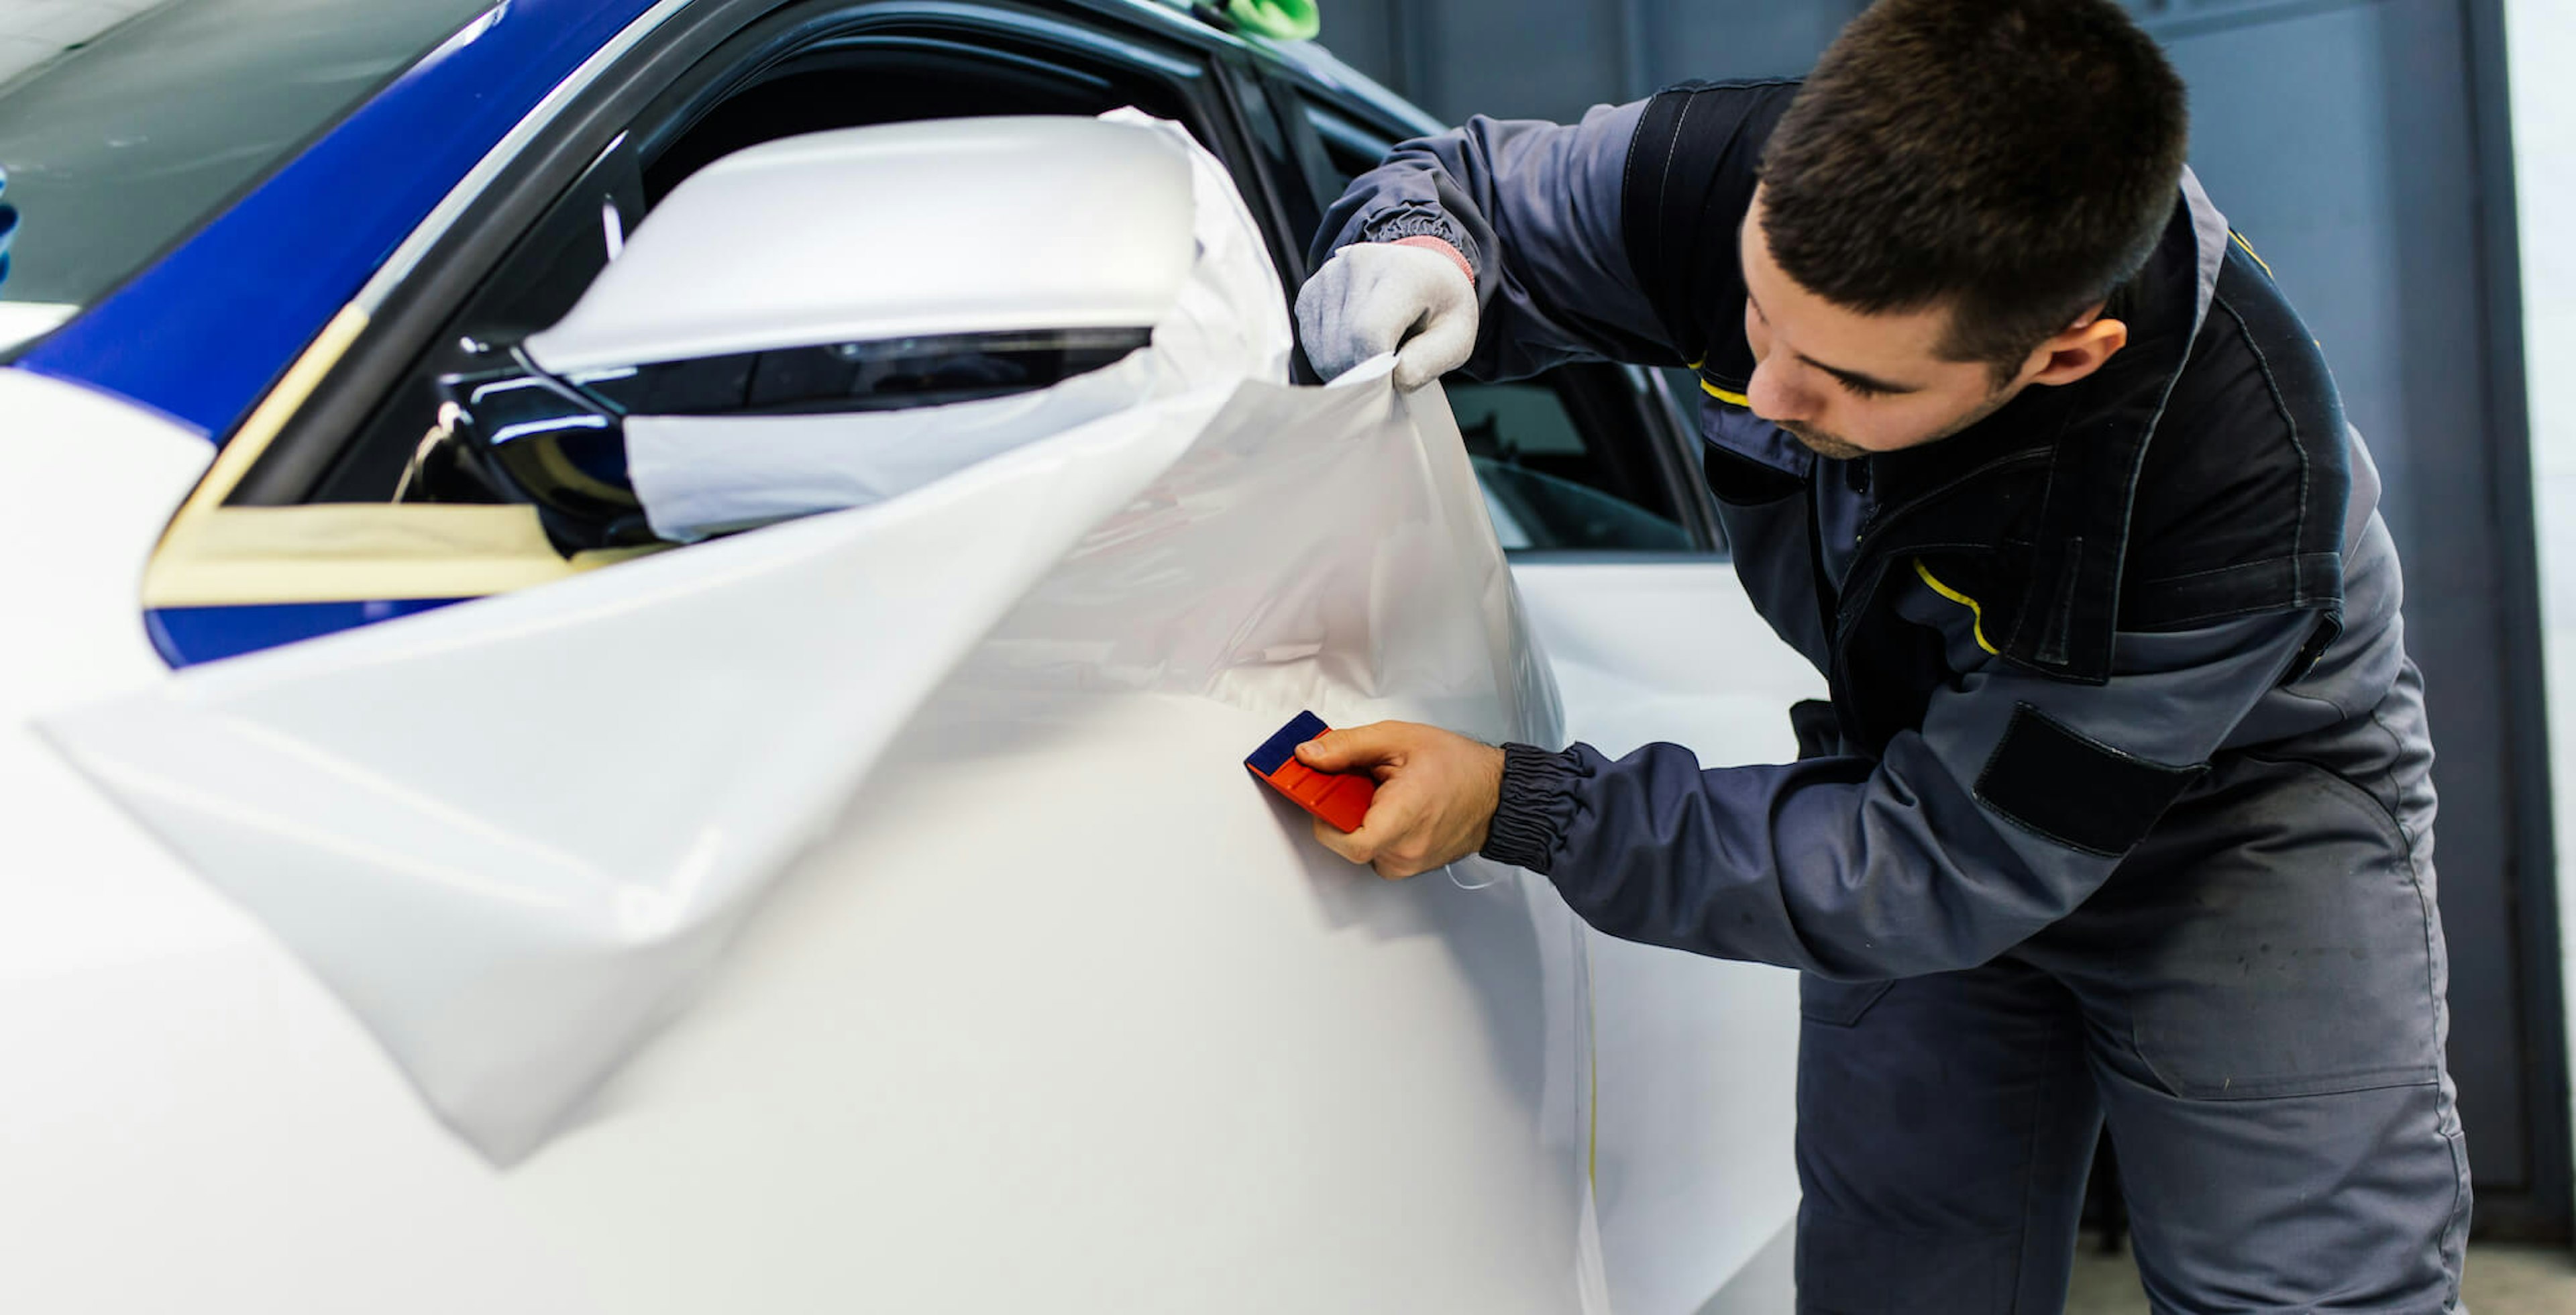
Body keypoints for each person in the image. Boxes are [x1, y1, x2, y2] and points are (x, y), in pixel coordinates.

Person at [1289, 0, 2470, 1309]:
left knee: (2304, 1292)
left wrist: (1525, 800)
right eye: (1756, 318)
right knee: (1902, 1284)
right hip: (1913, 764)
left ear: (2065, 352)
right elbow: (1467, 188)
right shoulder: (1729, 170)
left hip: (2236, 826)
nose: (1773, 395)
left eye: (1855, 383)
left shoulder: (2232, 486)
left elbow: (1935, 865)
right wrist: (1424, 253)